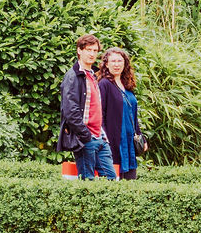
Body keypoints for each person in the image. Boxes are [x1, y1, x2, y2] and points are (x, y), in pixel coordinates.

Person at [57, 33, 114, 179]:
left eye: (95, 51)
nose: (92, 54)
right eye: (88, 50)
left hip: (99, 137)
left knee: (111, 179)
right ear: (79, 50)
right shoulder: (73, 76)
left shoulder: (93, 74)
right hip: (85, 139)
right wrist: (85, 136)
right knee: (87, 182)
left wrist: (100, 135)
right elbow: (70, 111)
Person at [100, 46, 145, 179]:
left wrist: (141, 135)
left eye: (120, 61)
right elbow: (100, 113)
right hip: (113, 141)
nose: (116, 64)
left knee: (130, 179)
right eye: (113, 61)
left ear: (125, 63)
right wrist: (104, 139)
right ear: (106, 64)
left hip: (129, 139)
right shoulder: (104, 84)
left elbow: (133, 114)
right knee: (115, 178)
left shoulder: (127, 85)